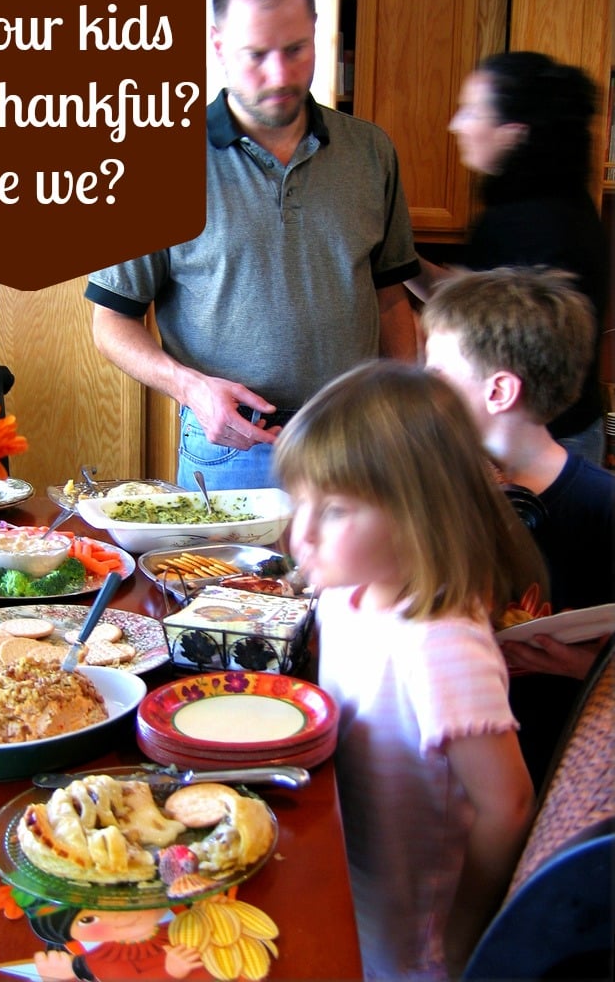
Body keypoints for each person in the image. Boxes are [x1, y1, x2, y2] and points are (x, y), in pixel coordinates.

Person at [85, 0, 419, 491]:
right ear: (217, 45)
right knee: (218, 581)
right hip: (232, 446)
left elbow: (391, 298)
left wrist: (409, 409)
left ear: (316, 32)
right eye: (256, 55)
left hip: (357, 443)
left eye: (295, 50)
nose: (280, 75)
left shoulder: (371, 151)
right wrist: (190, 388)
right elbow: (112, 324)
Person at [274, 360, 536, 980]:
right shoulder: (348, 593)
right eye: (298, 502)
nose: (298, 533)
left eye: (334, 511)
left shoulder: (438, 641)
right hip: (350, 866)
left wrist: (465, 931)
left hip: (412, 931)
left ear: (420, 514)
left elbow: (508, 805)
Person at [422, 265, 615, 789]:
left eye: (437, 374)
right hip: (444, 771)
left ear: (500, 390)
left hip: (557, 769)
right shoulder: (432, 494)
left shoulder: (603, 507)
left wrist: (585, 669)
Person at [407, 51, 609, 464]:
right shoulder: (546, 204)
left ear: (513, 132)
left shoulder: (534, 221)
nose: (456, 124)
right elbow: (473, 295)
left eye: (472, 112)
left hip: (539, 447)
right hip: (562, 434)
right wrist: (396, 258)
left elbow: (482, 320)